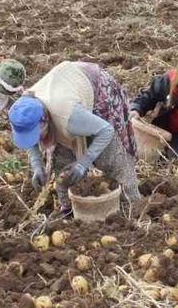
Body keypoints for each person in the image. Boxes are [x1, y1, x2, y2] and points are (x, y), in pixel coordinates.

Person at [9, 62, 140, 213]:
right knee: (63, 168)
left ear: (45, 120)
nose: (36, 139)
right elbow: (30, 139)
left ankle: (133, 205)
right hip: (64, 92)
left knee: (111, 158)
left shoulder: (66, 115)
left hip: (94, 85)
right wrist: (37, 165)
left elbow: (106, 131)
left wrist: (83, 163)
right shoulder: (20, 112)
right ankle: (70, 211)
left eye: (36, 135)